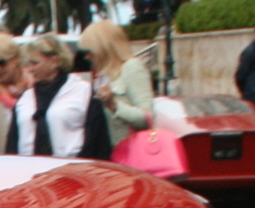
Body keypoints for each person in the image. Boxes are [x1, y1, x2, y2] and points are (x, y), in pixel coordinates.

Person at [11, 35, 94, 158]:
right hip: (30, 170)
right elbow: (12, 143)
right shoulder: (24, 98)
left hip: (73, 168)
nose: (30, 69)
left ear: (54, 62)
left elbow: (96, 139)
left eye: (35, 63)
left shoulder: (82, 91)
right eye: (28, 64)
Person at [80, 19, 152, 156]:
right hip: (106, 155)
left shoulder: (132, 67)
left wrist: (114, 105)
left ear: (104, 48)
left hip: (130, 156)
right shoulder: (101, 76)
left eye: (90, 51)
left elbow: (147, 118)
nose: (87, 56)